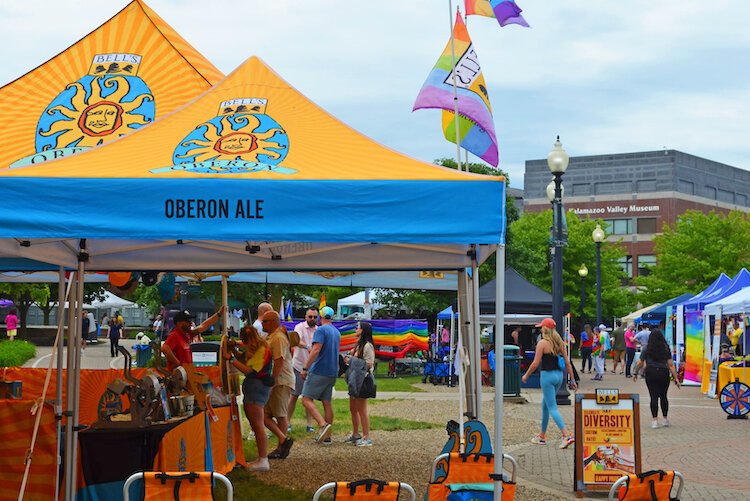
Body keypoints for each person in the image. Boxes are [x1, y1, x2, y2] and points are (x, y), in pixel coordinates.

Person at [223, 324, 274, 472]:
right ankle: (261, 458)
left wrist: (231, 359)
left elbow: (249, 371)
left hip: (256, 388)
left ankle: (263, 460)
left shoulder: (262, 349)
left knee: (258, 425)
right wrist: (233, 350)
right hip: (256, 389)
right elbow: (244, 358)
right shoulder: (257, 347)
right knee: (256, 424)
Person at [522, 318, 577, 449]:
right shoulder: (560, 343)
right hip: (559, 376)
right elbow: (568, 363)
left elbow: (535, 363)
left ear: (545, 329)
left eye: (541, 327)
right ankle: (542, 435)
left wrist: (526, 375)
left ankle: (566, 435)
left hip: (547, 376)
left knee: (552, 407)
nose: (540, 329)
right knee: (545, 405)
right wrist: (573, 380)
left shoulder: (542, 343)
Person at [300, 306, 341, 444]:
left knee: (306, 399)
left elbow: (316, 349)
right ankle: (327, 437)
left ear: (320, 317)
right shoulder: (336, 332)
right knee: (326, 402)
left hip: (319, 370)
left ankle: (323, 425)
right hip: (332, 372)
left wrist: (305, 367)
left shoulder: (321, 330)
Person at [262, 311, 295, 460]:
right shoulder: (271, 337)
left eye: (265, 321)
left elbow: (279, 361)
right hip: (277, 381)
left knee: (280, 415)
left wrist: (272, 380)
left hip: (281, 381)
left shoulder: (278, 338)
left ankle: (282, 447)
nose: (262, 324)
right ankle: (283, 440)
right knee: (264, 415)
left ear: (273, 321)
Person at [633, 329, 680, 428]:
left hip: (651, 372)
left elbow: (640, 362)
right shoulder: (666, 348)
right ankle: (665, 419)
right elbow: (671, 365)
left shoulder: (647, 348)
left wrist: (635, 372)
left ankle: (654, 421)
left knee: (653, 396)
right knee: (663, 396)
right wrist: (676, 378)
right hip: (663, 373)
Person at [161, 307, 225, 371]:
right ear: (179, 323)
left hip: (188, 374)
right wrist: (178, 363)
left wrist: (219, 314)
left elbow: (204, 325)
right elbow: (165, 348)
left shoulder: (188, 334)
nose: (191, 323)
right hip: (178, 376)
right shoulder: (174, 335)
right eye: (188, 321)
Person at [345, 322, 376, 447]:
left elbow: (369, 363)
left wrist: (352, 360)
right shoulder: (359, 344)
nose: (356, 329)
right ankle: (355, 433)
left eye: (358, 327)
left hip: (362, 380)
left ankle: (366, 436)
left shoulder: (368, 346)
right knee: (353, 408)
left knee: (361, 409)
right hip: (354, 379)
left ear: (363, 330)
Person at [289, 308, 318, 433]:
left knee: (309, 397)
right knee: (294, 396)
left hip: (312, 368)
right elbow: (296, 341)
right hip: (298, 366)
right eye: (310, 316)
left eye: (314, 317)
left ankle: (309, 424)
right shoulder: (299, 327)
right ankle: (287, 422)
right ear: (306, 316)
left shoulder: (318, 330)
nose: (312, 319)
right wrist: (308, 347)